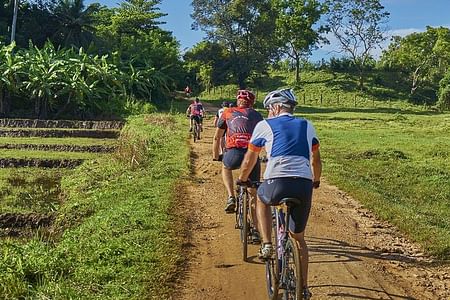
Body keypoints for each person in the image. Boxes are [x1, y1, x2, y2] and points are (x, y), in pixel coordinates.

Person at [237, 88, 321, 298]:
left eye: (269, 109)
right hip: (303, 184)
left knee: (262, 200)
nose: (268, 113)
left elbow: (250, 158)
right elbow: (316, 160)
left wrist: (242, 178)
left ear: (275, 107)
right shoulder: (307, 125)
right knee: (299, 238)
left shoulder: (264, 125)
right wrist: (316, 180)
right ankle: (304, 288)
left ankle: (266, 244)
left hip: (277, 182)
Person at [212, 89, 263, 242]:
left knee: (226, 167)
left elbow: (217, 138)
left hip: (233, 152)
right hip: (251, 155)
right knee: (253, 194)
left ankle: (231, 197)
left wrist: (216, 156)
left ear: (237, 101)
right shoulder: (257, 115)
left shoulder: (227, 112)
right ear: (251, 103)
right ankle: (255, 230)